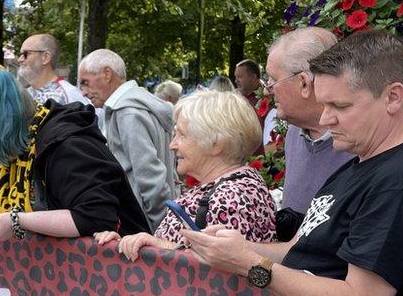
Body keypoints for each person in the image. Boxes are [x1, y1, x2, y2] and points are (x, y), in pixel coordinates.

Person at [184, 29, 403, 296]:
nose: (325, 119)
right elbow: (301, 250)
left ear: (393, 97)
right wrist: (235, 248)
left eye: (340, 106)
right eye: (324, 105)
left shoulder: (402, 180)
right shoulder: (361, 162)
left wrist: (251, 265)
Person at [0, 67, 149, 240]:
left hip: (119, 272)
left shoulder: (67, 147)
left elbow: (95, 217)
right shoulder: (17, 147)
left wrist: (17, 220)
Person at [94, 90, 276, 258]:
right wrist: (124, 243)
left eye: (182, 135)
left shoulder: (230, 198)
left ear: (216, 144)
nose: (172, 145)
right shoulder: (230, 187)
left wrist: (157, 245)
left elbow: (223, 271)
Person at [79, 49, 177, 228]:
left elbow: (149, 175)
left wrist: (161, 226)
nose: (83, 92)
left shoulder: (127, 111)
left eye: (85, 82)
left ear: (107, 74)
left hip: (142, 223)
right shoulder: (140, 104)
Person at [265, 27, 355, 218]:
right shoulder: (294, 131)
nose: (267, 90)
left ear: (304, 83)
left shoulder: (360, 142)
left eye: (272, 80)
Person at [16, 33, 89, 106]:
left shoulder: (70, 95)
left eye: (26, 54)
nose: (19, 59)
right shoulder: (23, 95)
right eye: (20, 54)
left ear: (45, 57)